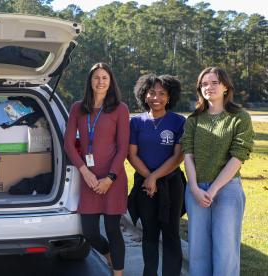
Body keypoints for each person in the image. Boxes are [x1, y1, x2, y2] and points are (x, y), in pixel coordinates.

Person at [180, 67, 254, 276]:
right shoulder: (194, 119)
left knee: (226, 249)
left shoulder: (239, 117)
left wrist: (212, 190)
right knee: (198, 250)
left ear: (225, 87)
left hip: (227, 190)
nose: (208, 87)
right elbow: (188, 154)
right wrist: (193, 187)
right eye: (204, 84)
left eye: (214, 82)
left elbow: (238, 156)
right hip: (196, 190)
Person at [64, 62, 130, 276]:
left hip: (113, 179)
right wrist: (84, 171)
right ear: (90, 81)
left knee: (113, 230)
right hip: (89, 178)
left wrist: (110, 178)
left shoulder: (120, 108)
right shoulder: (77, 107)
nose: (100, 82)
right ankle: (110, 256)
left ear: (110, 82)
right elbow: (68, 145)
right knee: (90, 233)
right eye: (96, 77)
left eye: (104, 78)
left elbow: (123, 147)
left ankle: (118, 272)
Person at [127, 74, 186, 276]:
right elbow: (131, 154)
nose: (156, 97)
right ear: (144, 95)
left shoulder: (178, 121)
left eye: (162, 93)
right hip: (145, 186)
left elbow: (178, 157)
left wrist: (153, 178)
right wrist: (148, 178)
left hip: (171, 184)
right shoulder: (136, 122)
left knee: (171, 234)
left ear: (170, 97)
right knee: (149, 235)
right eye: (152, 92)